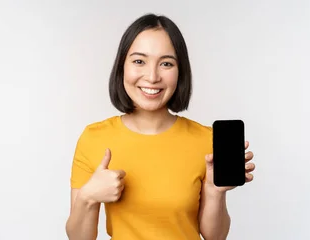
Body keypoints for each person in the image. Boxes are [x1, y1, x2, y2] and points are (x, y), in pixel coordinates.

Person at [65, 13, 256, 240]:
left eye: (166, 63)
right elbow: (79, 238)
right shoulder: (94, 138)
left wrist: (215, 192)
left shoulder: (205, 140)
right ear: (121, 67)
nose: (152, 76)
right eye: (139, 61)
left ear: (180, 72)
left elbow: (215, 236)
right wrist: (88, 197)